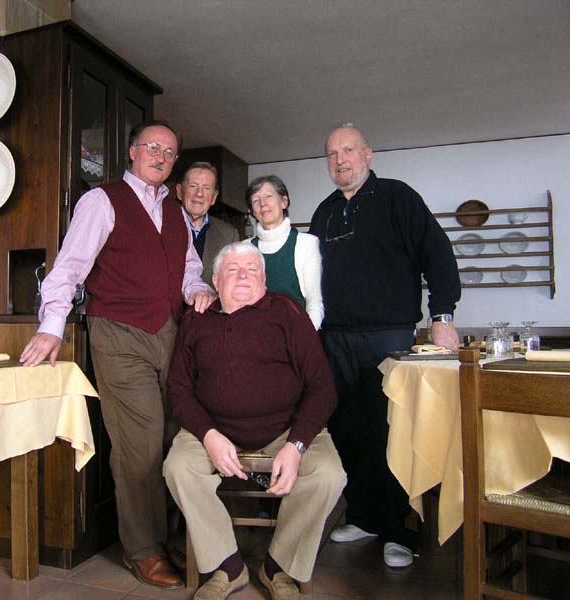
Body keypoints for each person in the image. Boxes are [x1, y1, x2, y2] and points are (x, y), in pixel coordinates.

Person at [20, 121, 217, 588]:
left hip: (171, 332)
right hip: (120, 332)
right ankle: (142, 549)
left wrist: (198, 288)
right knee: (139, 440)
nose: (161, 156)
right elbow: (69, 266)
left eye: (169, 152)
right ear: (132, 152)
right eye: (153, 147)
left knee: (173, 434)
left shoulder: (175, 210)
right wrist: (52, 327)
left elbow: (188, 268)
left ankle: (168, 537)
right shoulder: (102, 200)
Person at [309, 125, 460, 568]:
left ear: (368, 155)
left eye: (348, 150)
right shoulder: (324, 212)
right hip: (334, 339)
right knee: (346, 432)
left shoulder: (398, 197)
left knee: (391, 432)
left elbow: (438, 255)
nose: (340, 160)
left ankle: (400, 530)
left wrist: (442, 318)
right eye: (332, 153)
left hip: (388, 336)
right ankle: (365, 516)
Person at [163, 242, 346, 600]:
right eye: (233, 270)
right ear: (216, 280)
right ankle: (227, 567)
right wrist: (209, 435)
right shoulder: (196, 319)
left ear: (264, 280)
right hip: (214, 430)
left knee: (328, 474)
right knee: (179, 467)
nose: (243, 276)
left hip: (286, 429)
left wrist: (296, 445)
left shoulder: (287, 312)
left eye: (252, 270)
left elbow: (323, 388)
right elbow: (179, 389)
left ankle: (278, 568)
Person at [246, 175, 324, 330]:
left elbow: (315, 305)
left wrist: (303, 338)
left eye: (268, 196)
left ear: (284, 202)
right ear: (252, 211)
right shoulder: (244, 248)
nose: (262, 204)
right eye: (256, 200)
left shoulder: (306, 244)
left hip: (295, 334)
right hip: (254, 334)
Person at [177, 161, 240, 286]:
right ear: (179, 191)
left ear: (214, 197)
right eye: (193, 186)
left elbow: (232, 282)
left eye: (206, 188)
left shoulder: (229, 235)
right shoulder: (161, 225)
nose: (199, 194)